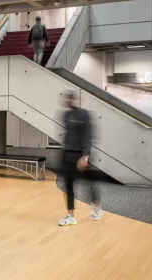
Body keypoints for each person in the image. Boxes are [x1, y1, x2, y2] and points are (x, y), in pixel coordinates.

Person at [58, 92, 100, 226]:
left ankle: (96, 205)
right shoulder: (66, 115)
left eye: (69, 99)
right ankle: (70, 215)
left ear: (75, 100)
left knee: (89, 183)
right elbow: (67, 135)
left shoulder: (84, 115)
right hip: (67, 154)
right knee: (68, 184)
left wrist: (85, 156)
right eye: (66, 99)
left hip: (81, 155)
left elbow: (87, 135)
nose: (67, 101)